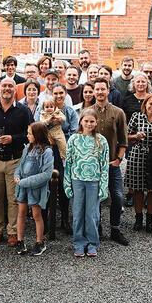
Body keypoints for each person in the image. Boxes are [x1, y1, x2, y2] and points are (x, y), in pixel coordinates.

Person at [0, 77, 34, 246]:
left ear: (15, 89)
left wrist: (13, 138)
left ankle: (12, 231)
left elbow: (30, 134)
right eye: (4, 85)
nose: (6, 88)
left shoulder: (24, 110)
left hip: (15, 160)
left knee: (13, 198)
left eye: (10, 86)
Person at [64, 109, 109, 257]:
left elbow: (104, 164)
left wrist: (103, 185)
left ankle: (92, 243)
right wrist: (67, 183)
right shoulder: (73, 139)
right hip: (77, 180)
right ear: (81, 122)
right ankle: (78, 242)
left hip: (94, 181)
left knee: (92, 214)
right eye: (86, 121)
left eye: (92, 121)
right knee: (77, 214)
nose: (89, 124)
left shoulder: (101, 140)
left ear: (96, 123)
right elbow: (68, 163)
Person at [92, 78, 129, 246]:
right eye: (97, 89)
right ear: (93, 91)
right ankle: (97, 228)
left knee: (118, 196)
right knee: (96, 198)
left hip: (112, 163)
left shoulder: (118, 112)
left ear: (108, 91)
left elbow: (123, 140)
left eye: (103, 89)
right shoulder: (87, 112)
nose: (100, 92)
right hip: (93, 165)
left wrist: (118, 159)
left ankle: (115, 228)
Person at [126, 93, 152, 232]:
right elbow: (126, 136)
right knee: (138, 189)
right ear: (145, 104)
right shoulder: (136, 116)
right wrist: (135, 136)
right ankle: (138, 219)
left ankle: (150, 220)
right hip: (138, 154)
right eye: (150, 103)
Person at [14, 122, 54, 256]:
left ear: (37, 135)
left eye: (30, 133)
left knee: (37, 215)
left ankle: (40, 242)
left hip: (36, 188)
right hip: (23, 187)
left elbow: (46, 174)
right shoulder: (27, 148)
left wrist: (24, 182)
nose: (27, 136)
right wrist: (17, 175)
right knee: (21, 212)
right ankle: (20, 240)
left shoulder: (47, 152)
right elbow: (20, 165)